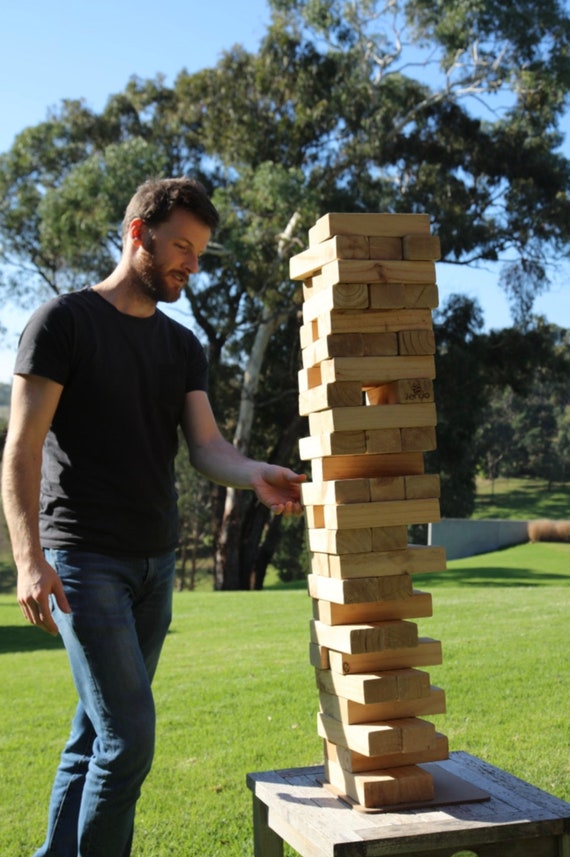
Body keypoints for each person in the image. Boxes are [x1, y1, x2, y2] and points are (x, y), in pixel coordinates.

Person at [1, 176, 305, 857]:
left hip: (155, 563)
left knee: (97, 731)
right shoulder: (64, 323)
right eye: (180, 248)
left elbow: (206, 447)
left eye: (198, 253)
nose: (191, 266)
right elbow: (18, 449)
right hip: (85, 562)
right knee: (129, 735)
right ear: (137, 233)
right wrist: (29, 557)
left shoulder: (181, 347)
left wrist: (255, 473)